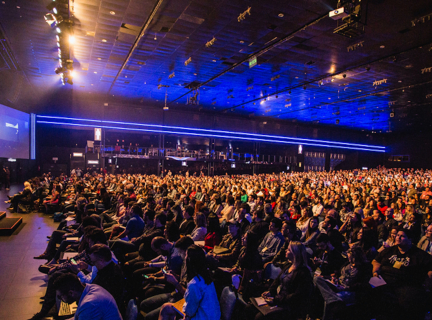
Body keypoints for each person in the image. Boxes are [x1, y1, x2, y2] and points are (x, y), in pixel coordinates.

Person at [371, 227, 432, 319]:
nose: (398, 237)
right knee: (367, 288)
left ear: (410, 239)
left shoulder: (419, 254)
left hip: (406, 284)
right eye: (397, 235)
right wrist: (375, 272)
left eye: (402, 236)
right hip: (384, 280)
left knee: (407, 301)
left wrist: (427, 283)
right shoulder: (389, 251)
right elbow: (376, 261)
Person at [244, 242, 313, 320]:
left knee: (259, 317)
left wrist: (276, 300)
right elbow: (277, 280)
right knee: (249, 308)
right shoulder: (288, 265)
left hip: (288, 306)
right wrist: (269, 291)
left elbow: (297, 296)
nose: (286, 250)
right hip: (277, 299)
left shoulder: (303, 273)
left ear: (294, 253)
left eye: (289, 249)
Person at [158, 245, 221, 320]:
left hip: (202, 317)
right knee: (166, 307)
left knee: (166, 311)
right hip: (212, 315)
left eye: (186, 256)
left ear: (190, 261)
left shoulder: (194, 284)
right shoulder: (207, 277)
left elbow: (189, 311)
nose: (184, 257)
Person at [53, 273, 122, 320]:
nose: (60, 300)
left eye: (60, 297)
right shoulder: (92, 287)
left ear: (71, 293)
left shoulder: (89, 304)